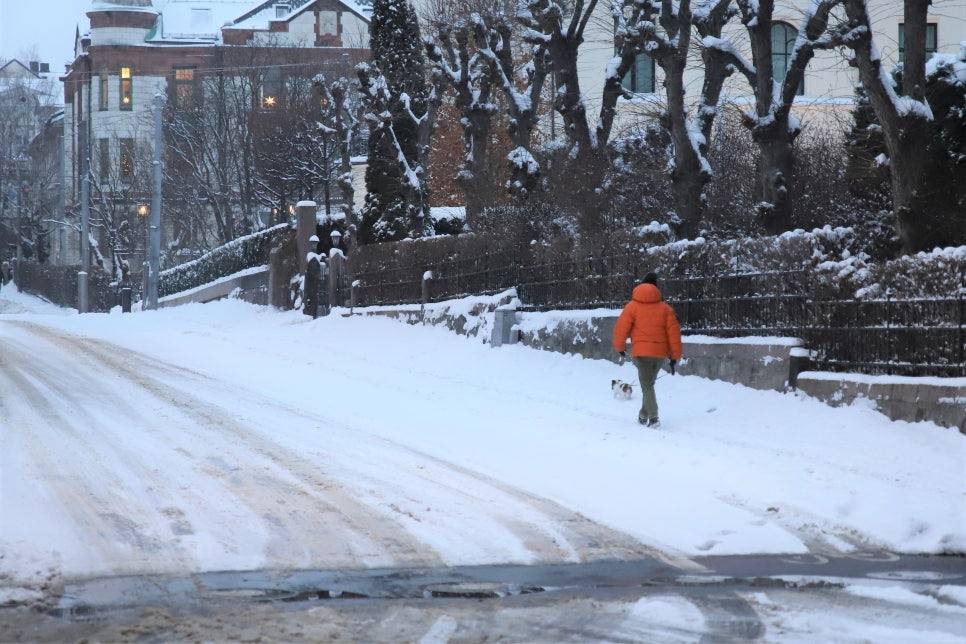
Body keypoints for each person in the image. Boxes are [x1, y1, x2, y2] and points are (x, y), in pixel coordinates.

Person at [612, 272, 682, 427]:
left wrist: (620, 348)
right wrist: (674, 357)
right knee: (648, 385)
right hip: (659, 355)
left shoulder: (632, 307)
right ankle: (643, 416)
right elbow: (674, 334)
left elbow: (621, 328)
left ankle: (654, 417)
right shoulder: (666, 309)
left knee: (647, 385)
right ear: (656, 288)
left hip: (641, 354)